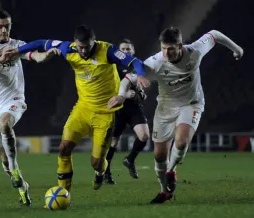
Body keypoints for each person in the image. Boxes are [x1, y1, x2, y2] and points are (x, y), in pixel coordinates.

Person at [108, 27, 243, 203]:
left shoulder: (194, 51)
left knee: (181, 140)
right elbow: (128, 79)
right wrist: (120, 95)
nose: (166, 52)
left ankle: (171, 170)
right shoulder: (155, 62)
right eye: (163, 48)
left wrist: (237, 49)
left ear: (180, 46)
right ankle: (165, 191)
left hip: (191, 104)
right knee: (159, 155)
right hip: (165, 108)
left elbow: (215, 35)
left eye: (170, 48)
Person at [13, 25, 150, 192]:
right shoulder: (67, 48)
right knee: (63, 148)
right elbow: (41, 42)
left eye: (86, 47)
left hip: (105, 113)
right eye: (80, 47)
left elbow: (134, 61)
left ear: (94, 42)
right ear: (75, 43)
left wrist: (141, 74)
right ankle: (64, 193)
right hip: (82, 109)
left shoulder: (108, 50)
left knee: (97, 163)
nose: (83, 51)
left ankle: (100, 173)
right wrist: (16, 50)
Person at [0, 10, 55, 207]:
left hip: (14, 99)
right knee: (3, 155)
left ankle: (15, 168)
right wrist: (1, 59)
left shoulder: (17, 45)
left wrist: (48, 55)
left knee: (5, 124)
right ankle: (22, 187)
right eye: (0, 26)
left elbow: (35, 56)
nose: (4, 30)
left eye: (7, 26)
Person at [104, 39, 150, 184]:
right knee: (113, 142)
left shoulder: (137, 68)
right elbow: (104, 89)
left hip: (133, 107)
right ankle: (106, 173)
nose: (126, 51)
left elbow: (141, 91)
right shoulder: (112, 67)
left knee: (144, 136)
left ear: (133, 51)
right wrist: (120, 95)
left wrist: (139, 94)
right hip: (117, 109)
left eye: (128, 49)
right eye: (123, 49)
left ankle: (130, 160)